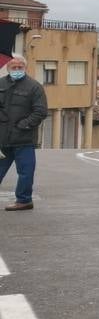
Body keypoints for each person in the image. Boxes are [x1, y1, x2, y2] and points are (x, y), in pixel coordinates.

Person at [0, 57, 47, 211]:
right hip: (2, 139)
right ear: (8, 68)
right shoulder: (1, 84)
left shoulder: (34, 87)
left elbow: (40, 112)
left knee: (26, 173)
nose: (17, 69)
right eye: (14, 66)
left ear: (25, 68)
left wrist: (23, 125)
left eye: (20, 66)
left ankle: (24, 200)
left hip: (24, 139)